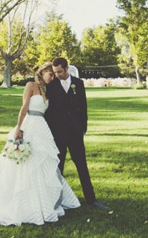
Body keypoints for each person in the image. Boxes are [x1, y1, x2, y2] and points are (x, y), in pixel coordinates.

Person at [0, 62, 80, 225]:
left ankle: (42, 199)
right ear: (41, 73)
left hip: (42, 128)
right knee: (25, 163)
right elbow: (24, 108)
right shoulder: (31, 85)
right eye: (50, 74)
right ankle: (18, 198)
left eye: (54, 75)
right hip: (29, 125)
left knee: (42, 162)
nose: (53, 77)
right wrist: (19, 128)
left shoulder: (46, 90)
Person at [45, 57, 108, 209]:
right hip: (58, 134)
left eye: (59, 71)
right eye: (55, 72)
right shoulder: (52, 86)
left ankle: (91, 199)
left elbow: (83, 107)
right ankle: (56, 201)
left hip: (75, 133)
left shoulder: (78, 84)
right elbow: (49, 111)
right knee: (58, 168)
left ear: (67, 68)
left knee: (82, 165)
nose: (57, 74)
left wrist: (82, 128)